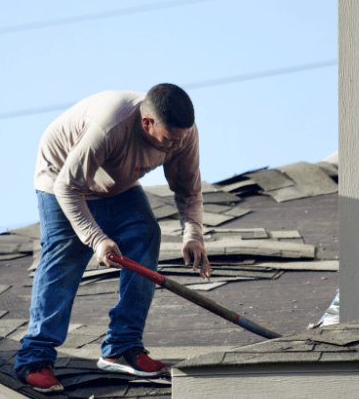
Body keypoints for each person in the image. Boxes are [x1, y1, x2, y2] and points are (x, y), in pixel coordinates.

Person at [14, 83, 211, 393]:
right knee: (65, 255)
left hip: (115, 184)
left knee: (145, 234)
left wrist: (193, 235)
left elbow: (188, 189)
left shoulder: (182, 134)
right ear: (148, 123)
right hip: (61, 180)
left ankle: (122, 346)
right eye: (170, 139)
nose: (176, 146)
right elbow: (68, 187)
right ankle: (34, 359)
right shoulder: (110, 125)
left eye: (181, 138)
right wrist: (96, 238)